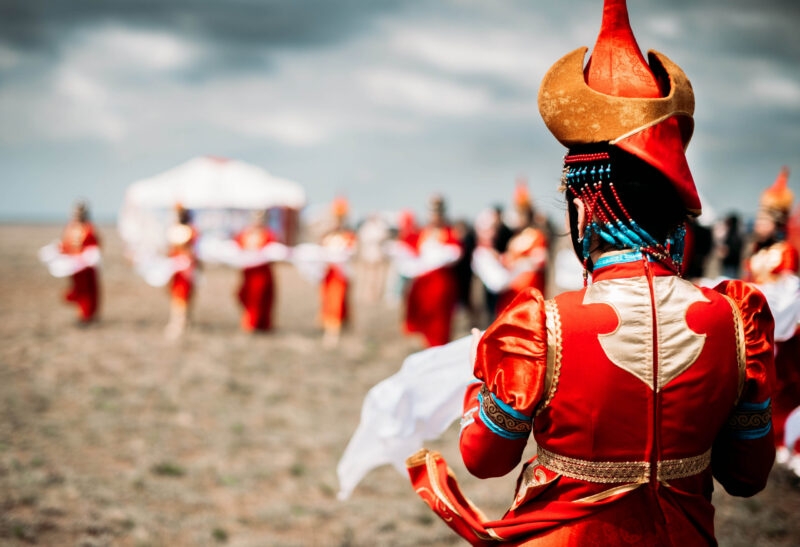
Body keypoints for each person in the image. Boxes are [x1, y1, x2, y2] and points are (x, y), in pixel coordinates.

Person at [407, 1, 776, 544]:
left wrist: (480, 375)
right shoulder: (739, 322)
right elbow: (747, 476)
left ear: (588, 204)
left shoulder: (542, 329)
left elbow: (484, 459)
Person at [745, 166, 800, 471]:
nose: (759, 223)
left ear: (776, 223)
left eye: (764, 219)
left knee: (782, 385)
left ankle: (786, 441)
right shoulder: (758, 251)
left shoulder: (785, 254)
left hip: (780, 325)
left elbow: (788, 291)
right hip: (760, 322)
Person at [401, 195, 462, 347]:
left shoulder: (448, 232)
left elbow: (456, 252)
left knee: (440, 320)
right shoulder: (424, 232)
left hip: (441, 283)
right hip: (423, 283)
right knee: (424, 316)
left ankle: (439, 345)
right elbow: (409, 246)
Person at [319, 197, 357, 347]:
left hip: (340, 274)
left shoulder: (347, 236)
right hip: (328, 273)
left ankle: (333, 332)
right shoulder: (326, 237)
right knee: (328, 300)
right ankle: (332, 325)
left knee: (338, 301)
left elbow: (351, 252)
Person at [234, 210, 280, 332]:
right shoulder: (245, 234)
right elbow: (236, 248)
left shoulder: (268, 234)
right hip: (248, 272)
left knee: (260, 299)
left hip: (262, 272)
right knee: (245, 296)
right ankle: (250, 322)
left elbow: (273, 252)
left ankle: (258, 324)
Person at [59, 200, 101, 323]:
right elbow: (66, 244)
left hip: (87, 266)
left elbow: (94, 246)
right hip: (74, 265)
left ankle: (87, 316)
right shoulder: (70, 228)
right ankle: (82, 314)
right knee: (78, 290)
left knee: (89, 291)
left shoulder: (88, 228)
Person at [164, 204, 199, 339]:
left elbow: (191, 250)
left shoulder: (190, 231)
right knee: (175, 294)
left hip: (186, 268)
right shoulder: (174, 230)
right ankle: (178, 320)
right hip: (175, 267)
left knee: (184, 295)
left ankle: (182, 321)